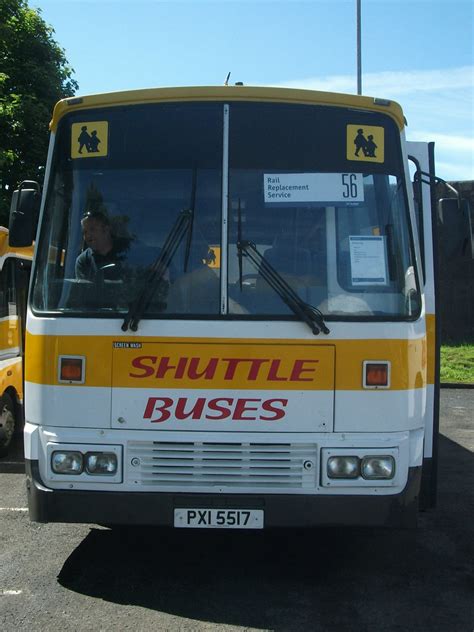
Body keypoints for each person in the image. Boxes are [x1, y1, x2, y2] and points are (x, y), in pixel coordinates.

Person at [75, 210, 125, 281]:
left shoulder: (125, 253)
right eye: (84, 232)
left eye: (92, 229)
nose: (88, 235)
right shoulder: (83, 261)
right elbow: (83, 290)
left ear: (106, 229)